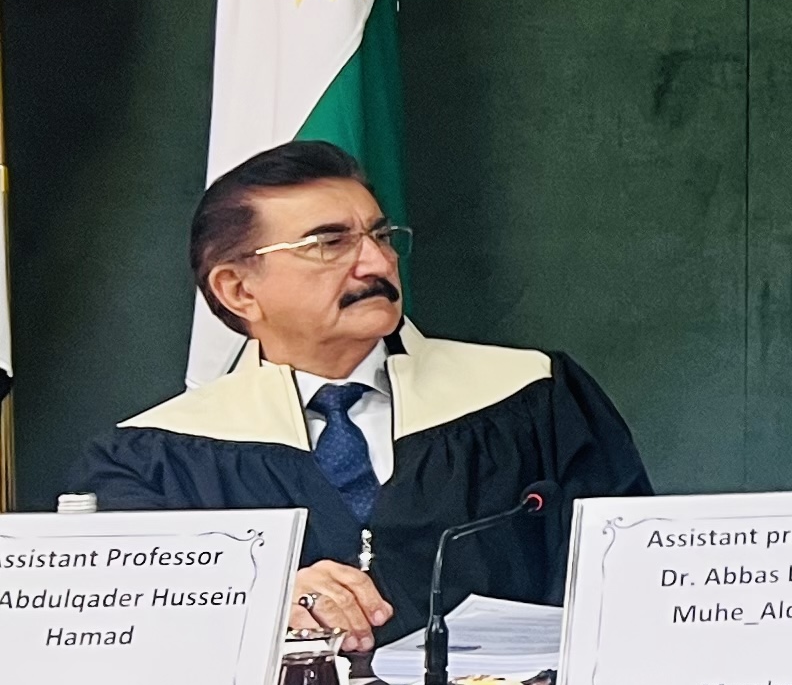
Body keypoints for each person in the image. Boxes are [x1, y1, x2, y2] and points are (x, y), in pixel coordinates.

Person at [72, 140, 650, 654]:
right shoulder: (150, 460)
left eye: (380, 235)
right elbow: (123, 634)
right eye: (330, 243)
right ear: (239, 289)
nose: (377, 262)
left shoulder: (533, 396)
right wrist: (255, 595)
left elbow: (625, 588)